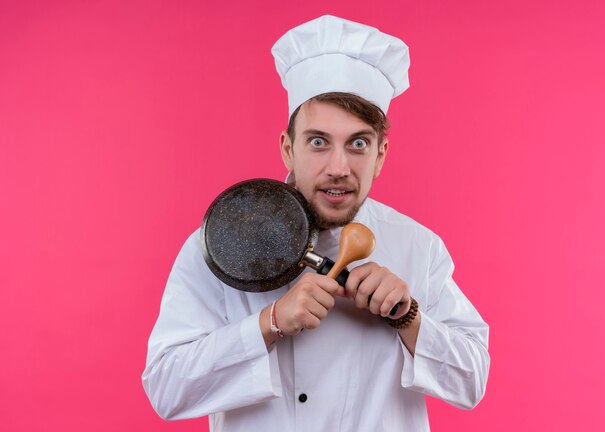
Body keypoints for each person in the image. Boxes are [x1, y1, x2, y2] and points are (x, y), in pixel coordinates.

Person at [142, 15, 489, 431]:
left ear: (380, 155)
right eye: (318, 142)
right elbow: (166, 388)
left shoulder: (419, 247)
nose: (338, 167)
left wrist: (408, 318)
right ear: (289, 149)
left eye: (358, 144)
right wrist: (269, 324)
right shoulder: (222, 241)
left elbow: (473, 381)